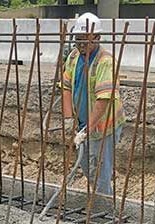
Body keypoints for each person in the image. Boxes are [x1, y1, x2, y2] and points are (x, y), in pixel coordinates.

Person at [62, 12, 125, 195]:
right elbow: (65, 87)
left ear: (97, 37)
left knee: (99, 171)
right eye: (78, 39)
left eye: (85, 40)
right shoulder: (74, 56)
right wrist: (68, 119)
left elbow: (103, 100)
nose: (81, 44)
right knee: (87, 167)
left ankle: (104, 208)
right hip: (83, 124)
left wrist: (86, 130)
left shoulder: (105, 62)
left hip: (104, 126)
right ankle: (100, 200)